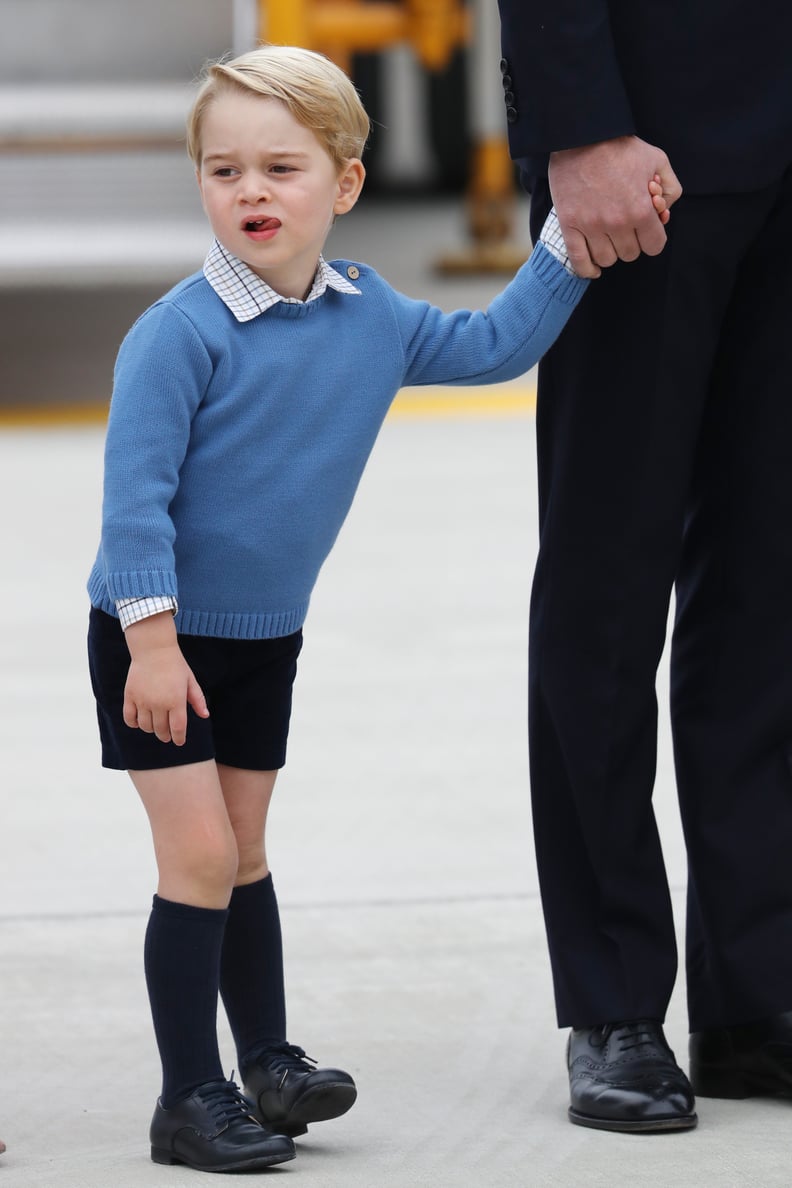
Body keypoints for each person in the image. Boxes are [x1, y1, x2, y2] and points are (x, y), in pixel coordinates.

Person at [87, 43, 665, 1174]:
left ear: (345, 183)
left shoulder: (371, 316)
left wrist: (569, 240)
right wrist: (149, 646)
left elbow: (496, 346)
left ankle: (267, 1062)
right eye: (223, 171)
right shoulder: (180, 333)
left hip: (263, 641)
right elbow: (133, 505)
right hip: (156, 642)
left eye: (281, 168)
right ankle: (186, 1096)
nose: (250, 191)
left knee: (245, 850)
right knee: (199, 858)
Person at [497, 0, 792, 1136]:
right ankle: (615, 1000)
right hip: (649, 142)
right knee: (607, 586)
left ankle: (759, 990)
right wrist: (579, 124)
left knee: (771, 589)